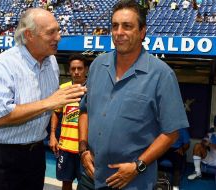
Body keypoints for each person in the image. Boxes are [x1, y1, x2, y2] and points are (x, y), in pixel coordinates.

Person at [77, 0, 189, 189]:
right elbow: (85, 110)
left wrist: (138, 166)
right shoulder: (97, 65)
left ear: (142, 31)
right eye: (114, 26)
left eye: (127, 26)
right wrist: (83, 150)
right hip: (90, 178)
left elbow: (171, 132)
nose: (119, 32)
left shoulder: (162, 74)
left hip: (133, 182)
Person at [0, 8, 86, 190]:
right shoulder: (3, 65)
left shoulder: (51, 62)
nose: (58, 37)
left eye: (58, 30)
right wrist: (49, 103)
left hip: (35, 155)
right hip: (4, 157)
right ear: (29, 35)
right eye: (51, 32)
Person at [49, 54, 88, 190]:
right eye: (73, 69)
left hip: (85, 149)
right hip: (65, 147)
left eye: (80, 68)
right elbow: (55, 111)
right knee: (66, 183)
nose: (76, 72)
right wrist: (53, 135)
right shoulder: (63, 88)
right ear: (69, 70)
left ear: (86, 70)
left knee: (85, 184)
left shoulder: (93, 89)